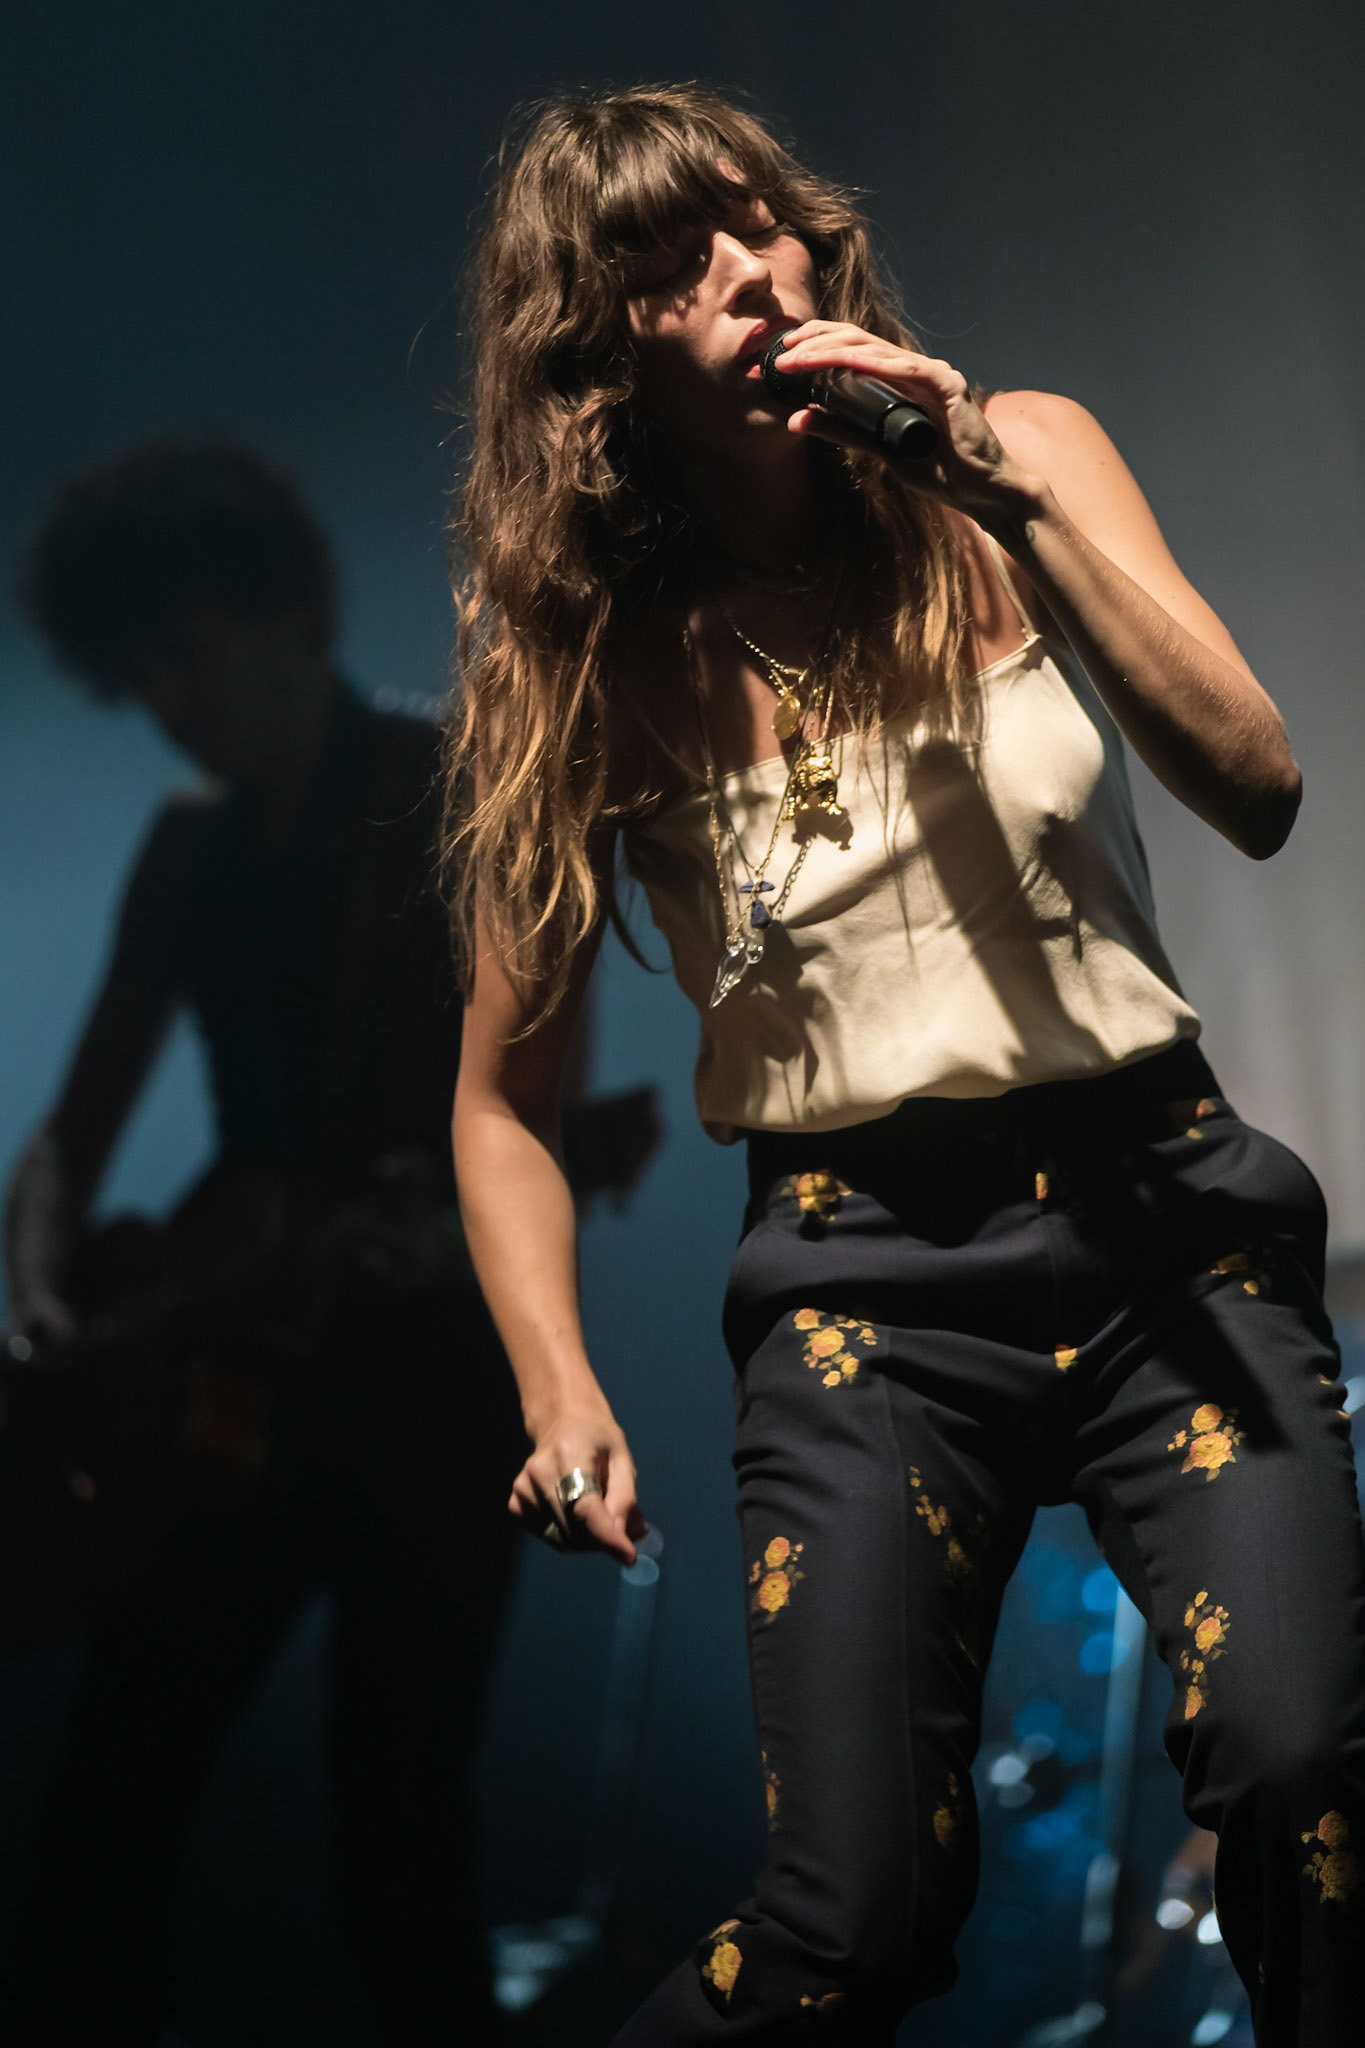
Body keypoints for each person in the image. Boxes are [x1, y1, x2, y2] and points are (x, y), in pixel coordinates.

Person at [444, 83, 1365, 2048]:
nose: (747, 269)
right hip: (863, 1284)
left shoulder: (1017, 459)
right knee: (850, 1923)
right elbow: (499, 1095)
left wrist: (982, 482)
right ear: (600, 339)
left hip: (1167, 1226)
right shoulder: (593, 656)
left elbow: (1258, 783)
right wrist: (552, 1384)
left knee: (1301, 1785)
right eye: (676, 257)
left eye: (758, 221)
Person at [2, 438, 658, 2048]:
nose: (166, 693)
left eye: (186, 645)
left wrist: (442, 1239)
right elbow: (70, 1133)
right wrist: (38, 1299)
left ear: (286, 610)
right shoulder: (186, 847)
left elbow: (526, 1112)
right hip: (220, 1379)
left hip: (426, 1381)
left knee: (397, 1835)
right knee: (105, 1811)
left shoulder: (450, 787)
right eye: (135, 665)